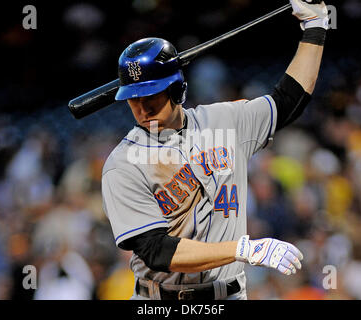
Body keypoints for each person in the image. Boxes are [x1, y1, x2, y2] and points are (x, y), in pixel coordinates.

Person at [101, 0, 328, 300]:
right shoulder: (123, 164)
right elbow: (157, 250)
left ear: (177, 90)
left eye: (150, 97)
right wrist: (244, 249)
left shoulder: (224, 121)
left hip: (229, 295)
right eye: (133, 99)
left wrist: (315, 28)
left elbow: (288, 100)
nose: (142, 109)